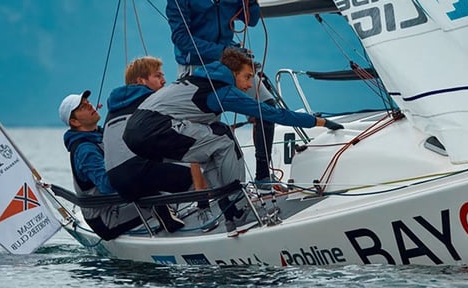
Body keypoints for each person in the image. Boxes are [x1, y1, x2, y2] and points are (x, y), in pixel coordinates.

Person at [124, 47, 343, 233]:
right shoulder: (222, 90)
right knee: (224, 140)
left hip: (135, 134)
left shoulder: (198, 79)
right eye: (247, 77)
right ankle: (239, 207)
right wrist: (319, 122)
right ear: (232, 73)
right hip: (154, 129)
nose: (250, 85)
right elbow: (271, 113)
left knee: (214, 139)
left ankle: (229, 210)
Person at [165, 0, 277, 190]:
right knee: (201, 135)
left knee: (267, 107)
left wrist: (252, 0)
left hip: (231, 63)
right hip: (196, 68)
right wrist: (223, 52)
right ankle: (205, 193)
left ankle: (263, 177)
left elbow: (250, 21)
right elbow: (181, 38)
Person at [60, 88, 183, 236]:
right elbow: (107, 185)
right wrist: (142, 175)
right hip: (107, 217)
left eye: (88, 102)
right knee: (166, 193)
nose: (90, 106)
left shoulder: (100, 135)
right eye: (82, 107)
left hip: (121, 203)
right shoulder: (85, 150)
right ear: (74, 121)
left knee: (169, 185)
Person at [102, 56, 200, 232]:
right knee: (198, 173)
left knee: (160, 167)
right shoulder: (152, 103)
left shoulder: (113, 109)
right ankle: (213, 213)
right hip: (141, 171)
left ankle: (164, 212)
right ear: (141, 80)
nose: (164, 80)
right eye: (158, 76)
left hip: (118, 180)